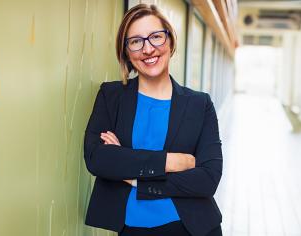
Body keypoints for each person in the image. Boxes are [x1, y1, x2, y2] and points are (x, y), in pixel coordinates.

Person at [84, 4, 223, 236]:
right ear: (126, 51)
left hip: (192, 227)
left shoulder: (200, 104)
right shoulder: (111, 96)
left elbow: (208, 179)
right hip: (131, 228)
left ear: (170, 41)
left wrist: (133, 176)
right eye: (136, 41)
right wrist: (170, 162)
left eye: (156, 37)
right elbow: (97, 158)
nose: (148, 49)